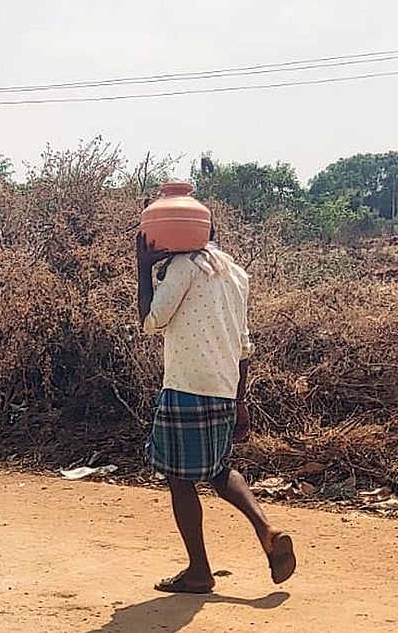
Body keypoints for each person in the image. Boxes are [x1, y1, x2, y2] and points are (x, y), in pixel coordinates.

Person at [137, 227, 296, 594]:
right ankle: (267, 530)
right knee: (218, 469)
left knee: (179, 477)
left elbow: (150, 322)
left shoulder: (183, 267)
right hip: (224, 391)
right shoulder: (234, 272)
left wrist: (144, 268)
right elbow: (243, 346)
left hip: (186, 389)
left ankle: (199, 572)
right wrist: (240, 402)